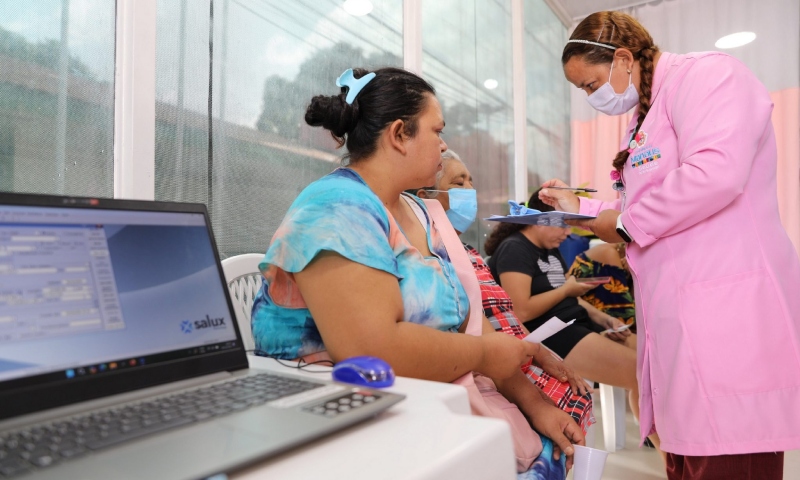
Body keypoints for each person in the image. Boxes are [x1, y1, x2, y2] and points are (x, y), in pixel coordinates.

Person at [250, 67, 584, 473]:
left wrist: (535, 404)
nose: (444, 146)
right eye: (436, 131)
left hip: (429, 400)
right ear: (398, 135)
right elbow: (374, 350)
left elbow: (469, 325)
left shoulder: (419, 212)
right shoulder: (336, 208)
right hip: (345, 421)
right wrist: (485, 354)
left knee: (557, 441)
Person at [541, 10, 800, 479]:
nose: (591, 97)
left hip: (725, 311)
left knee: (728, 453)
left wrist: (622, 225)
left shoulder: (708, 76)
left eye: (590, 83)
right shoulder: (646, 115)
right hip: (678, 317)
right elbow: (638, 204)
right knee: (688, 453)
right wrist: (575, 205)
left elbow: (715, 174)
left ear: (622, 58)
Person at [414, 150, 594, 434]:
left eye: (471, 182)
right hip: (500, 363)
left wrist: (541, 352)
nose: (470, 191)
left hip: (521, 350)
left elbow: (507, 315)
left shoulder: (468, 252)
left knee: (577, 396)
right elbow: (487, 330)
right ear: (425, 196)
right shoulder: (435, 257)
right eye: (458, 183)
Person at [485, 190, 663, 454]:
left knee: (655, 361)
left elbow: (565, 295)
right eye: (564, 226)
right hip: (552, 334)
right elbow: (521, 311)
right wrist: (567, 291)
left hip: (575, 323)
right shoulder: (515, 249)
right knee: (641, 375)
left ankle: (669, 440)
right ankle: (668, 454)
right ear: (542, 220)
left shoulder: (550, 250)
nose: (568, 234)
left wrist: (602, 317)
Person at [568, 242, 637, 342]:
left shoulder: (627, 258)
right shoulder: (608, 253)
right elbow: (626, 319)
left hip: (601, 325)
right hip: (587, 326)